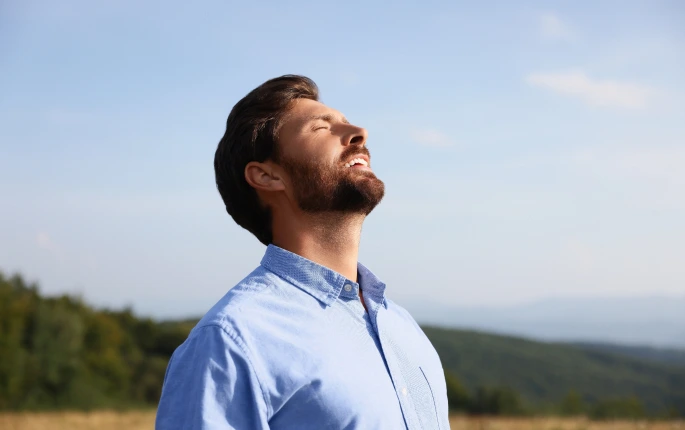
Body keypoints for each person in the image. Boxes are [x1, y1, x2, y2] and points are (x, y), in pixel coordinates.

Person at [156, 75, 450, 429]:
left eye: (345, 121)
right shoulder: (232, 340)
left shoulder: (401, 327)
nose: (359, 132)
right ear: (267, 176)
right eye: (321, 127)